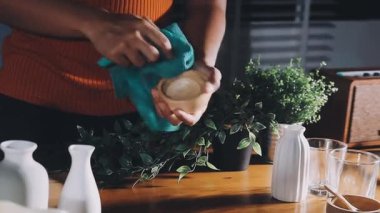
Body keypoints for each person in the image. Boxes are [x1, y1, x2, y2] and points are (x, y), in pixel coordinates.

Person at [0, 0, 226, 170]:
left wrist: (199, 68)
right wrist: (92, 22)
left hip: (151, 111)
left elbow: (207, 6)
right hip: (33, 108)